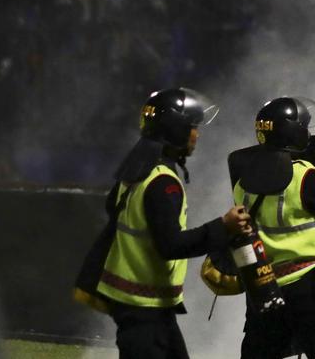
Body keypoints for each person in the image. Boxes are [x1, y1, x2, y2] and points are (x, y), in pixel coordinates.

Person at [73, 88, 250, 359]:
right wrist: (223, 226)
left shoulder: (137, 169)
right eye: (193, 127)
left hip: (137, 304)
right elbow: (171, 245)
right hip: (144, 307)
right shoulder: (163, 182)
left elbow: (113, 209)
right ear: (176, 130)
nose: (197, 134)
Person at [229, 96, 315, 359]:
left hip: (266, 290)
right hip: (309, 289)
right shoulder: (304, 176)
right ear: (294, 132)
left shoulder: (242, 184)